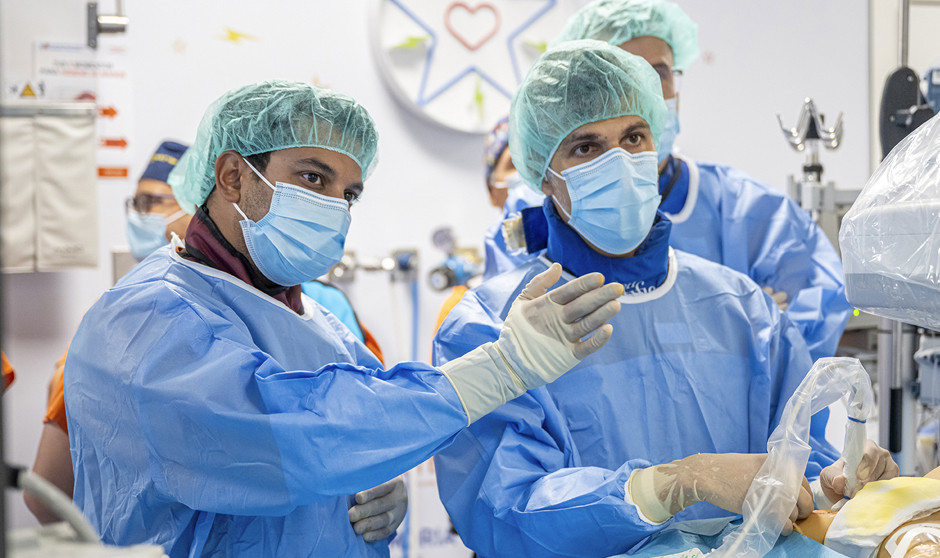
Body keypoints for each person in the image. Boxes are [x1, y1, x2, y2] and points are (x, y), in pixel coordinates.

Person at [63, 80, 623, 557]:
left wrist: (384, 479)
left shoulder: (319, 326)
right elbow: (292, 435)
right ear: (233, 175)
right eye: (312, 178)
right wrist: (503, 367)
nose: (335, 204)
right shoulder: (143, 319)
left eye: (349, 192)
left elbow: (365, 423)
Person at [431, 40, 896, 558]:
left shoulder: (742, 309)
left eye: (634, 137)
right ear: (544, 172)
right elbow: (507, 514)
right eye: (586, 147)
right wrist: (674, 484)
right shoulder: (490, 327)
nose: (619, 163)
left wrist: (837, 477)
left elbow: (798, 466)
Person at [551, 0, 852, 362]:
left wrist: (760, 342)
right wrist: (728, 327)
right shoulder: (544, 220)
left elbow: (803, 348)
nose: (645, 90)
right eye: (623, 73)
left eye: (659, 73)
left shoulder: (750, 213)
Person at [482, 116, 544, 279]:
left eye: (538, 161)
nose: (528, 173)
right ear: (492, 191)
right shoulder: (465, 300)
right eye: (515, 162)